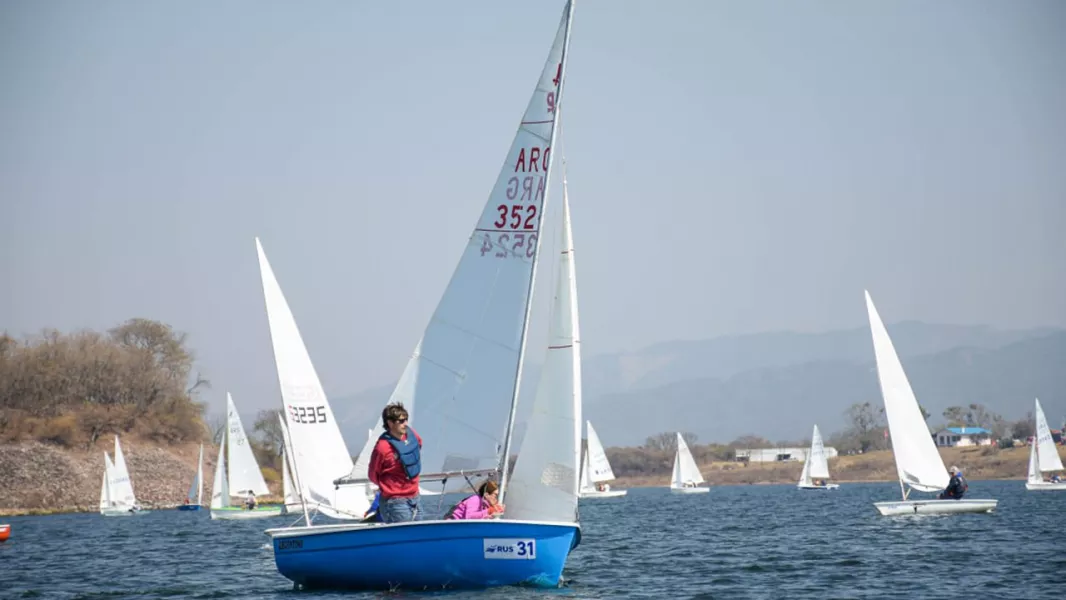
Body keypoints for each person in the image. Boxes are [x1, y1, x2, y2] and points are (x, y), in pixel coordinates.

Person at [368, 403, 423, 524]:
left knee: (418, 535)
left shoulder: (412, 435)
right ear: (390, 423)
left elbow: (419, 445)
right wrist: (390, 487)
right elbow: (373, 474)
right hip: (395, 502)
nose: (405, 424)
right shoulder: (382, 447)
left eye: (406, 419)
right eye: (401, 421)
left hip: (415, 497)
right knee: (406, 537)